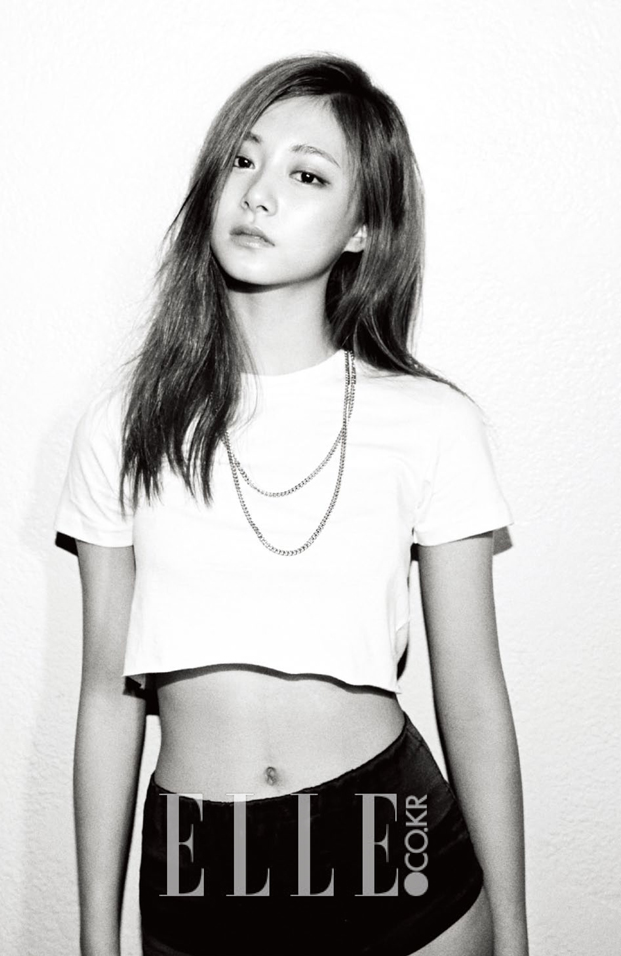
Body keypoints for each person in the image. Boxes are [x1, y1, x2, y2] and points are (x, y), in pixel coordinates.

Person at [54, 53, 528, 956]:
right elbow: (108, 698)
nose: (258, 192)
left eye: (307, 175)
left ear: (364, 228)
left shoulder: (432, 422)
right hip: (202, 855)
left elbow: (472, 693)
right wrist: (94, 940)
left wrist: (515, 937)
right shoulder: (124, 424)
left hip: (385, 828)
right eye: (243, 159)